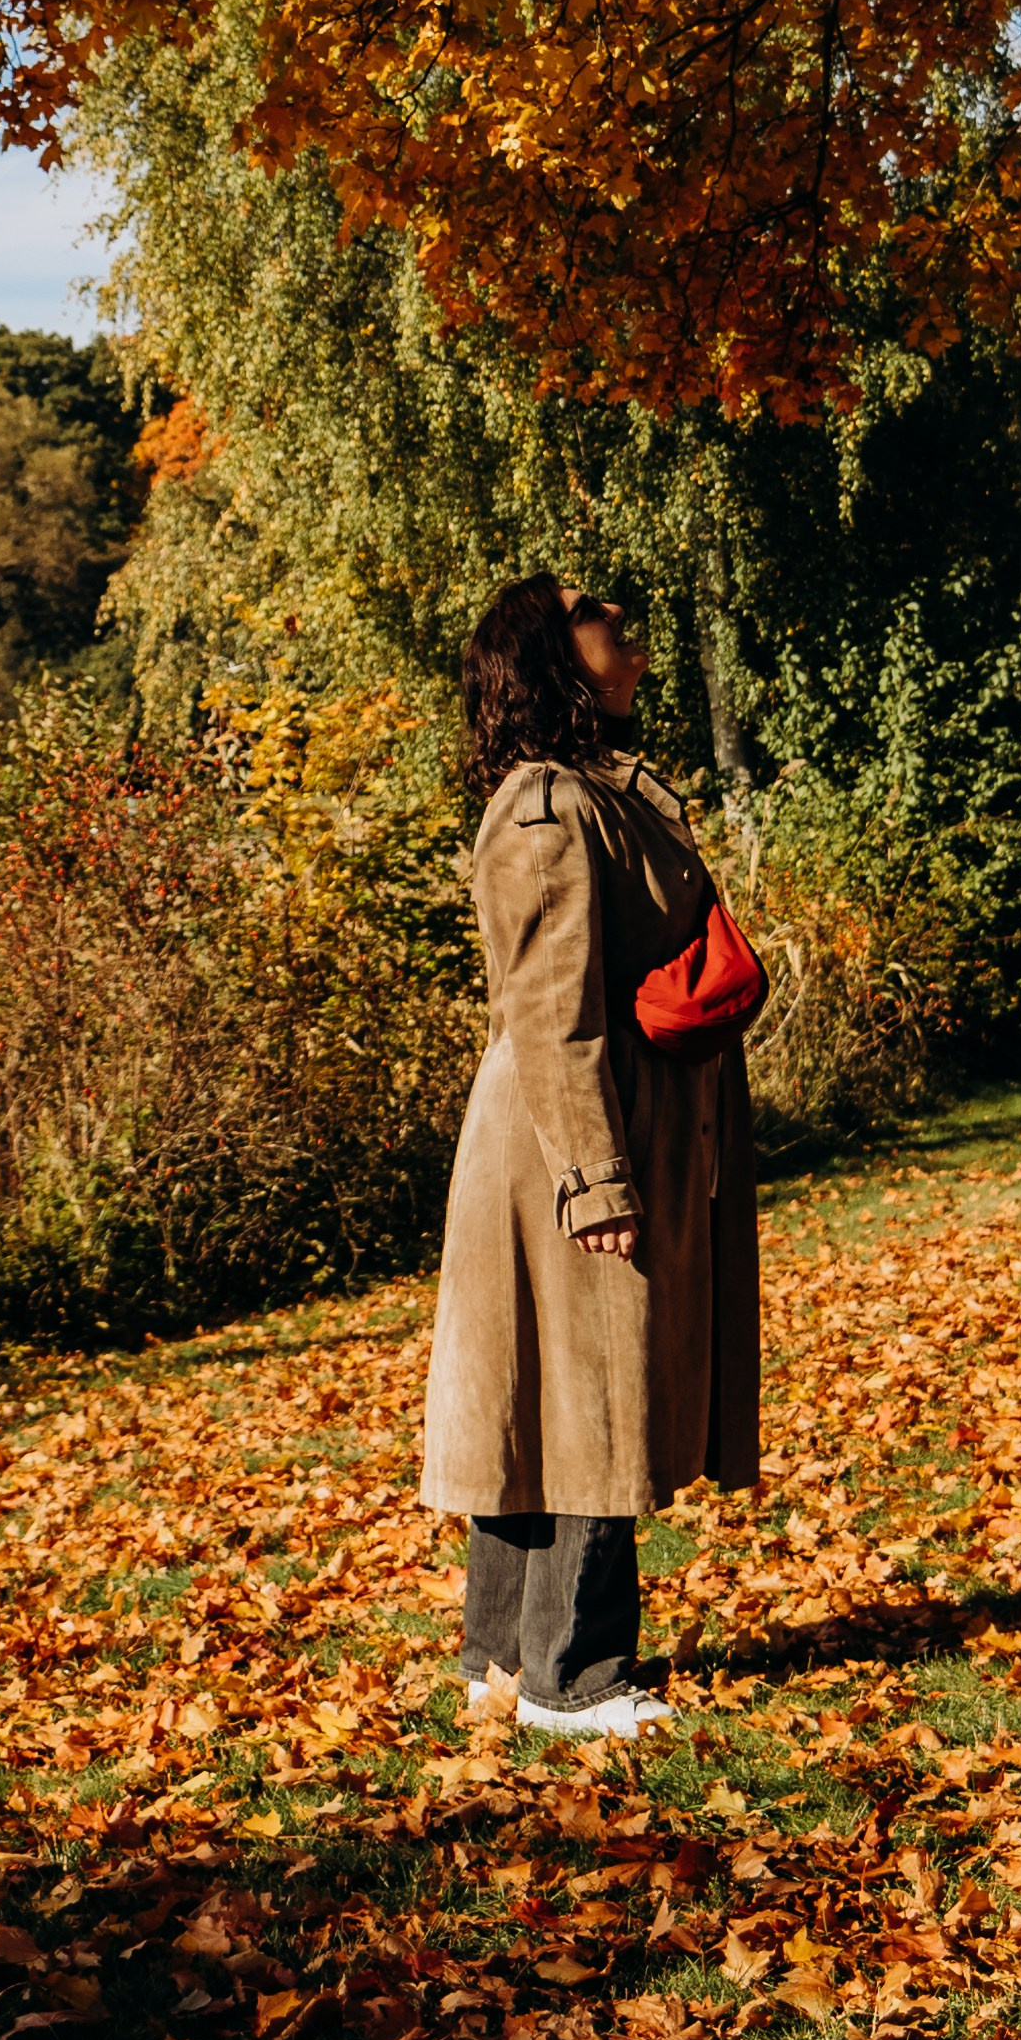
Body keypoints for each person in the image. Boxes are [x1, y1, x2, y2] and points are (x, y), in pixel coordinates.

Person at [419, 574, 761, 1738]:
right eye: (596, 612)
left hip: (593, 1128)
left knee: (545, 1396)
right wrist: (595, 1177)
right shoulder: (546, 810)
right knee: (589, 1395)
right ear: (549, 654)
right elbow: (548, 1010)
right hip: (566, 1137)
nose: (627, 623)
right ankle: (577, 1679)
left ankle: (502, 1662)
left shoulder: (595, 793)